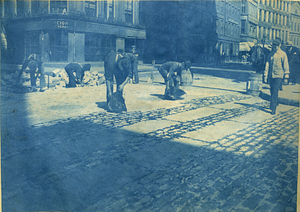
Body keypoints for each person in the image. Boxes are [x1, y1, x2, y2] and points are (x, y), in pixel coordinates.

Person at [263, 38, 289, 115]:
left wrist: (286, 76)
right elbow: (267, 65)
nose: (274, 47)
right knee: (272, 90)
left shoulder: (283, 54)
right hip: (271, 75)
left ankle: (273, 108)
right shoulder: (270, 54)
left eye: (276, 46)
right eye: (273, 46)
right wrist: (265, 75)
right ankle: (274, 103)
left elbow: (286, 65)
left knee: (275, 91)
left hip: (279, 76)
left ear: (279, 45)